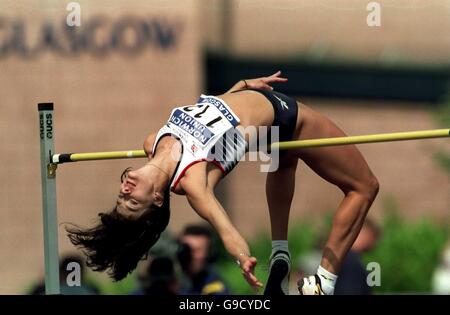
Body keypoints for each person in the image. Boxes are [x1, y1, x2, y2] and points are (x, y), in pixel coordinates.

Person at [66, 71, 379, 295]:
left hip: (261, 120)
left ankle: (280, 252)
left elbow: (208, 115)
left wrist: (241, 88)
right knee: (364, 187)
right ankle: (323, 281)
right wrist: (243, 258)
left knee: (284, 164)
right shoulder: (192, 182)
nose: (126, 191)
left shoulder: (152, 141)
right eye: (133, 202)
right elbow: (225, 227)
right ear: (158, 200)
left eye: (121, 198)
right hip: (286, 117)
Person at [176, 224, 230, 295]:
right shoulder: (171, 277)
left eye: (197, 250)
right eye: (186, 250)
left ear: (209, 253)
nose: (190, 255)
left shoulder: (215, 286)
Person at [334, 218, 381, 295]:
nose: (374, 244)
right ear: (366, 234)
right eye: (374, 237)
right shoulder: (351, 262)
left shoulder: (343, 258)